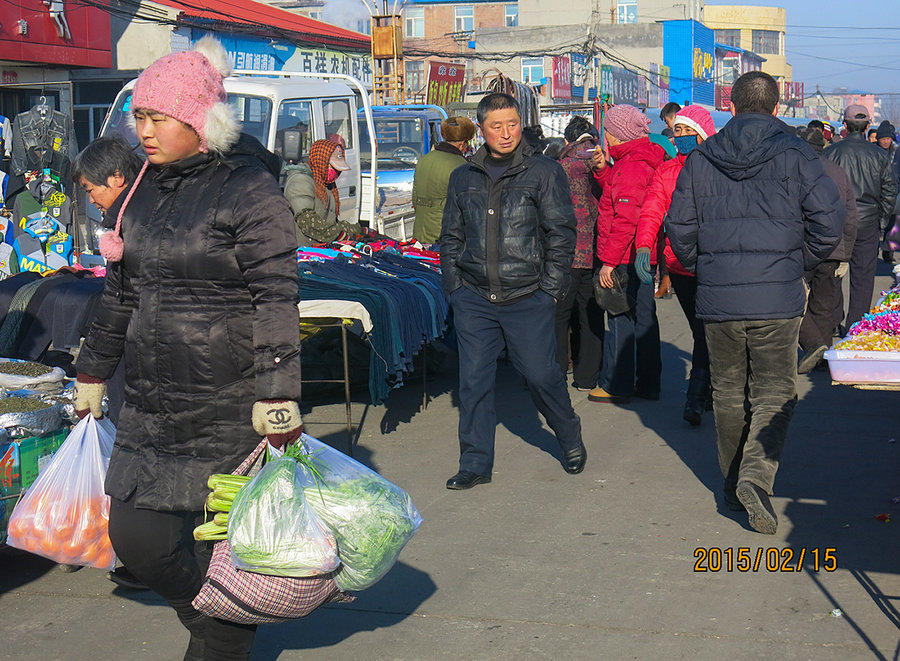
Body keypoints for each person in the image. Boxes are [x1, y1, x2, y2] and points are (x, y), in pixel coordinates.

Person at [72, 37, 304, 660]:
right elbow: (119, 293)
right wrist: (92, 370)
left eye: (156, 117)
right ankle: (221, 621)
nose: (141, 131)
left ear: (199, 120)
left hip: (228, 404)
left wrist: (278, 391)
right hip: (152, 402)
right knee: (138, 539)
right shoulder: (139, 193)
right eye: (138, 117)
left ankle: (222, 636)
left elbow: (277, 295)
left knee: (219, 542)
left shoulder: (250, 192)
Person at [667, 71, 843, 535]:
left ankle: (732, 488)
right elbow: (829, 224)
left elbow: (679, 229)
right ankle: (755, 479)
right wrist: (792, 263)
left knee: (728, 393)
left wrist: (708, 269)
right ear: (778, 106)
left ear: (730, 103)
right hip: (777, 299)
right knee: (774, 393)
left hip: (719, 296)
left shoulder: (701, 157)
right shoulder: (798, 154)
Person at [440, 92, 586, 489]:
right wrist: (454, 287)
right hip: (474, 298)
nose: (506, 133)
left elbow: (561, 233)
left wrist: (550, 290)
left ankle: (569, 435)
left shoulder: (543, 172)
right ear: (481, 129)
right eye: (496, 126)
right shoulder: (462, 176)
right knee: (473, 382)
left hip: (528, 297)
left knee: (541, 375)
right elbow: (450, 237)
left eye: (512, 124)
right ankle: (475, 462)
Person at [71, 136, 150, 592]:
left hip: (155, 359)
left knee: (137, 459)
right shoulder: (124, 216)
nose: (89, 197)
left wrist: (93, 370)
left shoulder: (139, 219)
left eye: (91, 188)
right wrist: (91, 372)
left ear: (117, 179)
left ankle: (149, 560)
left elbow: (121, 301)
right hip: (142, 353)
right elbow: (116, 301)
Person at [634, 104, 716, 425]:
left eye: (687, 131)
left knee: (706, 330)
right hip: (680, 264)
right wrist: (644, 246)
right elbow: (653, 209)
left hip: (714, 264)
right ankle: (703, 392)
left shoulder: (718, 168)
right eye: (677, 130)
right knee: (703, 329)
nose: (680, 136)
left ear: (703, 134)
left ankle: (698, 396)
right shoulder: (666, 172)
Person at [587, 104, 665, 404]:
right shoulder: (640, 158)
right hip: (644, 255)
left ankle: (615, 384)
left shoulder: (632, 165)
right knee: (644, 318)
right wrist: (604, 171)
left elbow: (626, 219)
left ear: (617, 135)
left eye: (607, 130)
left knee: (619, 318)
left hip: (625, 256)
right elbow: (622, 193)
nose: (604, 135)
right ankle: (648, 383)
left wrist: (609, 262)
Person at [823, 104, 897, 332]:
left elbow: (821, 189)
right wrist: (881, 220)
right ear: (868, 126)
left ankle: (833, 321)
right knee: (863, 278)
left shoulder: (831, 153)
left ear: (844, 125)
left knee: (832, 275)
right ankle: (856, 327)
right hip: (867, 223)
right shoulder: (879, 155)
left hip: (837, 221)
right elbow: (889, 190)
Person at [796, 127, 857, 372]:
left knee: (795, 301)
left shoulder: (796, 169)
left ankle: (812, 347)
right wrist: (846, 254)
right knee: (824, 305)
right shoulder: (838, 172)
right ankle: (822, 357)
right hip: (832, 250)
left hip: (801, 247)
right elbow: (850, 217)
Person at [554, 115, 604, 390]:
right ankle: (588, 378)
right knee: (592, 317)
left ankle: (558, 373)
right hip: (597, 253)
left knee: (559, 318)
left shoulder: (560, 167)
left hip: (566, 254)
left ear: (567, 141)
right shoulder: (603, 163)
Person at [283, 138, 363, 245]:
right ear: (321, 161)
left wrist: (357, 230)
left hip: (320, 248)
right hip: (303, 251)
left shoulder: (326, 185)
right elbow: (307, 220)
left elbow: (330, 221)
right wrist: (338, 236)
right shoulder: (300, 181)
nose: (336, 172)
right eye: (332, 167)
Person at [411, 116, 475, 244]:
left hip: (420, 232)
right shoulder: (461, 165)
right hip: (445, 237)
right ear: (462, 144)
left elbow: (415, 196)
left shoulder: (424, 159)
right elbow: (466, 207)